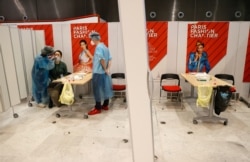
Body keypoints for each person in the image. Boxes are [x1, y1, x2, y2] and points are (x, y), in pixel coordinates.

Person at [88, 32, 113, 115]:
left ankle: (98, 108)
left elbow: (101, 59)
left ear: (94, 39)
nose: (91, 41)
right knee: (105, 88)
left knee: (97, 90)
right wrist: (107, 69)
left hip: (98, 72)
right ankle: (105, 105)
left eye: (91, 39)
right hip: (104, 73)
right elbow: (110, 59)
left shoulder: (98, 47)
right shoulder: (105, 47)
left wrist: (105, 68)